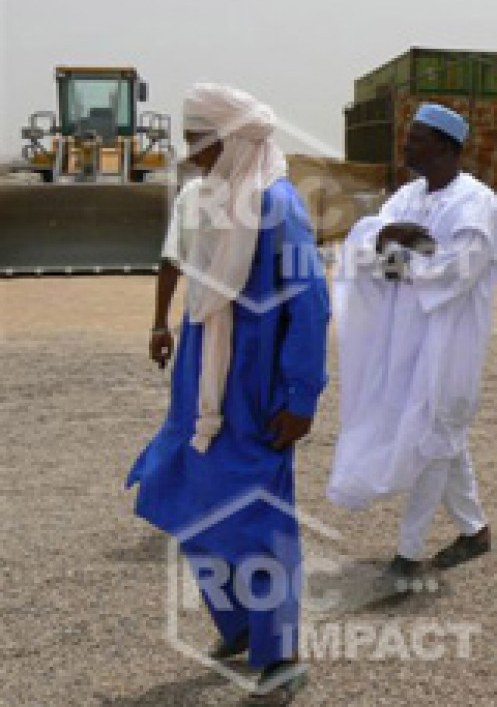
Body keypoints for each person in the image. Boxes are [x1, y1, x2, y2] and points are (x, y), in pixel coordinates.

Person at [127, 83, 329, 706]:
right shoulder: (209, 201)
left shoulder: (278, 207)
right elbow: (189, 282)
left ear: (233, 140)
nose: (190, 154)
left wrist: (302, 396)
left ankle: (281, 651)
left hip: (256, 389)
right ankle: (239, 622)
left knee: (258, 515)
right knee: (184, 494)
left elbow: (310, 306)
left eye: (199, 141)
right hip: (202, 382)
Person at [328, 103, 497, 593]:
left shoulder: (476, 204)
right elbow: (366, 249)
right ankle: (475, 531)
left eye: (417, 139)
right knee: (444, 432)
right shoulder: (407, 196)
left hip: (452, 341)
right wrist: (392, 239)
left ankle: (407, 556)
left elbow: (455, 271)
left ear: (446, 147)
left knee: (435, 435)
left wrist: (396, 254)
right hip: (405, 339)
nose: (406, 146)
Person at [150, 173, 202, 368]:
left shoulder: (264, 195)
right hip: (199, 320)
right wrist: (160, 325)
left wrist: (160, 325)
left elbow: (171, 260)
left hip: (245, 329)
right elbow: (171, 260)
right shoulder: (192, 192)